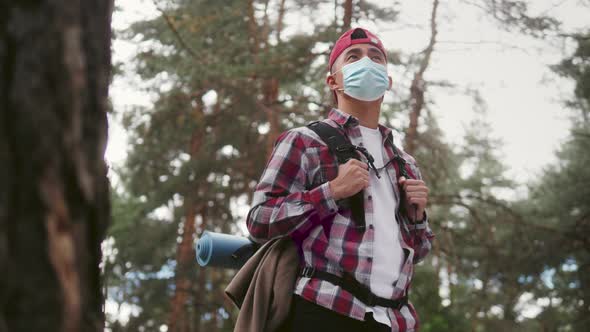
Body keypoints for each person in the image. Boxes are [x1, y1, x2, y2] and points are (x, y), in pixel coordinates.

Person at [246, 27, 435, 332]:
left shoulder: (405, 163)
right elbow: (259, 220)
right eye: (354, 56)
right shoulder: (304, 141)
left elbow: (420, 250)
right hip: (325, 310)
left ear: (387, 81)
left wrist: (417, 217)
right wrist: (332, 192)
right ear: (333, 81)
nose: (367, 62)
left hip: (395, 321)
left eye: (376, 58)